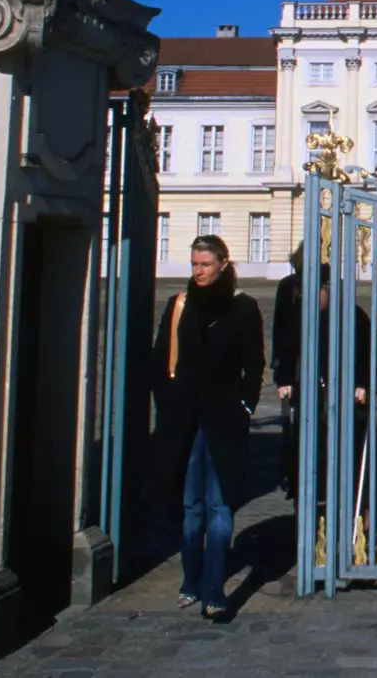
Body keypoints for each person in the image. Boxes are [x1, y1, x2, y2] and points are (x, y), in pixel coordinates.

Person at [151, 234, 263, 619]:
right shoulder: (179, 305)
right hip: (183, 421)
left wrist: (245, 405)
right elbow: (158, 359)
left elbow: (254, 364)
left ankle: (214, 589)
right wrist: (167, 403)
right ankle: (190, 579)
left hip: (224, 420)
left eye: (205, 265)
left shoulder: (243, 308)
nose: (198, 271)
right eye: (194, 264)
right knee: (190, 506)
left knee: (218, 505)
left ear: (223, 265)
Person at [273, 252, 377, 508]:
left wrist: (363, 385)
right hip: (311, 398)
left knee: (354, 462)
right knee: (309, 456)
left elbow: (372, 353)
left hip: (347, 400)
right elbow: (286, 348)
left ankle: (359, 515)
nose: (308, 299)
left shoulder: (352, 316)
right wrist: (285, 379)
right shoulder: (300, 314)